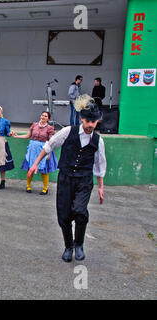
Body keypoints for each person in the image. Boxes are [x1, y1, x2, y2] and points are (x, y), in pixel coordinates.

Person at [28, 94, 106, 262]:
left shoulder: (98, 141)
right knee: (63, 216)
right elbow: (49, 146)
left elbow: (100, 165)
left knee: (79, 210)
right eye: (88, 121)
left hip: (84, 180)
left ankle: (79, 244)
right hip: (66, 178)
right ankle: (68, 246)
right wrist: (35, 164)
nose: (90, 125)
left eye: (93, 122)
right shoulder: (67, 131)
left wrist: (100, 186)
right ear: (82, 119)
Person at [12, 111, 58, 195]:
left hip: (43, 149)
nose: (43, 117)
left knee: (44, 170)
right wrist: (17, 136)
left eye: (45, 116)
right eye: (42, 115)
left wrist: (49, 153)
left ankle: (45, 188)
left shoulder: (50, 128)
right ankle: (28, 186)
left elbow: (51, 142)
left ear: (48, 119)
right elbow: (28, 136)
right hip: (32, 149)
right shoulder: (34, 125)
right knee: (30, 168)